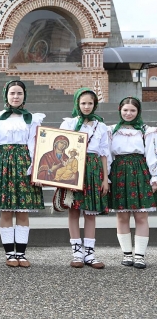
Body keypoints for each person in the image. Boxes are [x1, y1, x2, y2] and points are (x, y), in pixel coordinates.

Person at [0, 80, 45, 268]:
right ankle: (10, 253)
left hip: (25, 164)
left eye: (19, 93)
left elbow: (36, 144)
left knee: (23, 210)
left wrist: (37, 170)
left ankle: (21, 253)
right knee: (6, 210)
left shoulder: (32, 118)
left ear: (24, 96)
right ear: (6, 96)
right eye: (12, 93)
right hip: (3, 164)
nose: (15, 97)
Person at [60, 88, 110, 269]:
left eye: (90, 103)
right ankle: (77, 253)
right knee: (74, 210)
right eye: (83, 103)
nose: (86, 106)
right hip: (74, 168)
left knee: (90, 212)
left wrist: (105, 179)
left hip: (94, 168)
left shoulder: (100, 126)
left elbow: (104, 153)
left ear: (95, 104)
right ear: (77, 104)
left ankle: (90, 253)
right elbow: (61, 150)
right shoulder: (69, 123)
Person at [109, 97, 157, 269]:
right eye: (125, 110)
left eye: (132, 110)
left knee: (141, 216)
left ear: (138, 112)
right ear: (120, 110)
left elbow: (152, 155)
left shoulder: (146, 131)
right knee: (122, 215)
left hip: (140, 172)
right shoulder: (112, 131)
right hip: (119, 172)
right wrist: (106, 177)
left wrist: (155, 177)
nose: (128, 113)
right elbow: (107, 155)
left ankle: (140, 256)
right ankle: (127, 254)